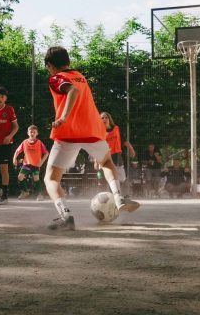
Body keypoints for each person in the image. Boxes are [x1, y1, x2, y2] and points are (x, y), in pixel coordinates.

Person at [42, 46, 139, 231]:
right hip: (93, 130)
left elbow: (72, 92)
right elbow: (78, 91)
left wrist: (63, 117)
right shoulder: (80, 76)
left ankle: (66, 216)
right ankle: (118, 197)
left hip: (68, 133)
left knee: (51, 179)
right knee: (107, 163)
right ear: (68, 61)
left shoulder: (56, 78)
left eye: (48, 67)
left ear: (50, 65)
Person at [13, 125, 49, 200]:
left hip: (36, 165)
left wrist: (41, 163)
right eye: (31, 132)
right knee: (20, 177)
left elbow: (46, 153)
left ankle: (40, 195)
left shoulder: (39, 142)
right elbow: (17, 151)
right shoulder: (25, 142)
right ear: (28, 133)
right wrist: (14, 158)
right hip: (26, 164)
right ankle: (25, 192)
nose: (32, 133)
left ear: (37, 133)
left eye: (34, 132)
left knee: (36, 179)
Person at [99, 112, 136, 183]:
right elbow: (96, 146)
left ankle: (117, 192)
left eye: (106, 117)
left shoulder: (116, 129)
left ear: (109, 119)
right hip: (105, 156)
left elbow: (124, 141)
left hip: (117, 155)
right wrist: (95, 160)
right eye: (102, 118)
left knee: (122, 178)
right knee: (109, 177)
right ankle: (113, 192)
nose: (104, 119)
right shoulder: (99, 131)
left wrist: (131, 149)